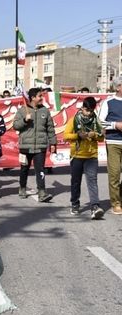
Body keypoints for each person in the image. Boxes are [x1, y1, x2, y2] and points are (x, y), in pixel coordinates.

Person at [13, 87, 57, 202]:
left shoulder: (45, 111)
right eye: (39, 96)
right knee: (24, 169)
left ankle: (42, 192)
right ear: (33, 98)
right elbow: (15, 125)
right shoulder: (23, 110)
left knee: (40, 170)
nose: (42, 98)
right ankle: (22, 188)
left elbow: (50, 128)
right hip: (25, 146)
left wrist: (53, 143)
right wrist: (25, 120)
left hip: (40, 146)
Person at [64, 96, 105, 219]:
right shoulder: (74, 120)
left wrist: (94, 135)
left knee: (92, 180)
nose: (89, 113)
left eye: (91, 111)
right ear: (82, 108)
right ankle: (75, 203)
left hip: (91, 156)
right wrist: (77, 135)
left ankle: (95, 206)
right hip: (77, 155)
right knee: (76, 181)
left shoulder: (96, 120)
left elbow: (101, 137)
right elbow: (66, 135)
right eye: (87, 110)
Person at [98, 76, 122, 215]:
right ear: (118, 87)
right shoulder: (108, 102)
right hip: (113, 142)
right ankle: (116, 203)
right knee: (114, 174)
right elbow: (99, 122)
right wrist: (116, 125)